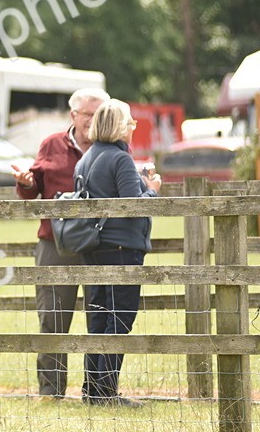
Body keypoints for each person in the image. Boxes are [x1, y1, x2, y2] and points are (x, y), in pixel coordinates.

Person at [12, 88, 110, 399]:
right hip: (55, 244)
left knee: (103, 319)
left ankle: (99, 390)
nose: (92, 121)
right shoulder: (52, 144)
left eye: (99, 115)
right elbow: (33, 189)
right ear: (73, 116)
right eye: (87, 115)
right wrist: (26, 182)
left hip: (100, 244)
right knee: (52, 319)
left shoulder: (112, 146)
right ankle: (51, 392)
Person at [74, 99, 161, 407]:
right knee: (119, 319)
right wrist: (152, 189)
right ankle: (107, 392)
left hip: (94, 248)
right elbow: (133, 206)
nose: (133, 128)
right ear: (121, 127)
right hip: (121, 250)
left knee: (97, 318)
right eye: (130, 123)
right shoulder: (120, 159)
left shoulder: (85, 159)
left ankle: (93, 390)